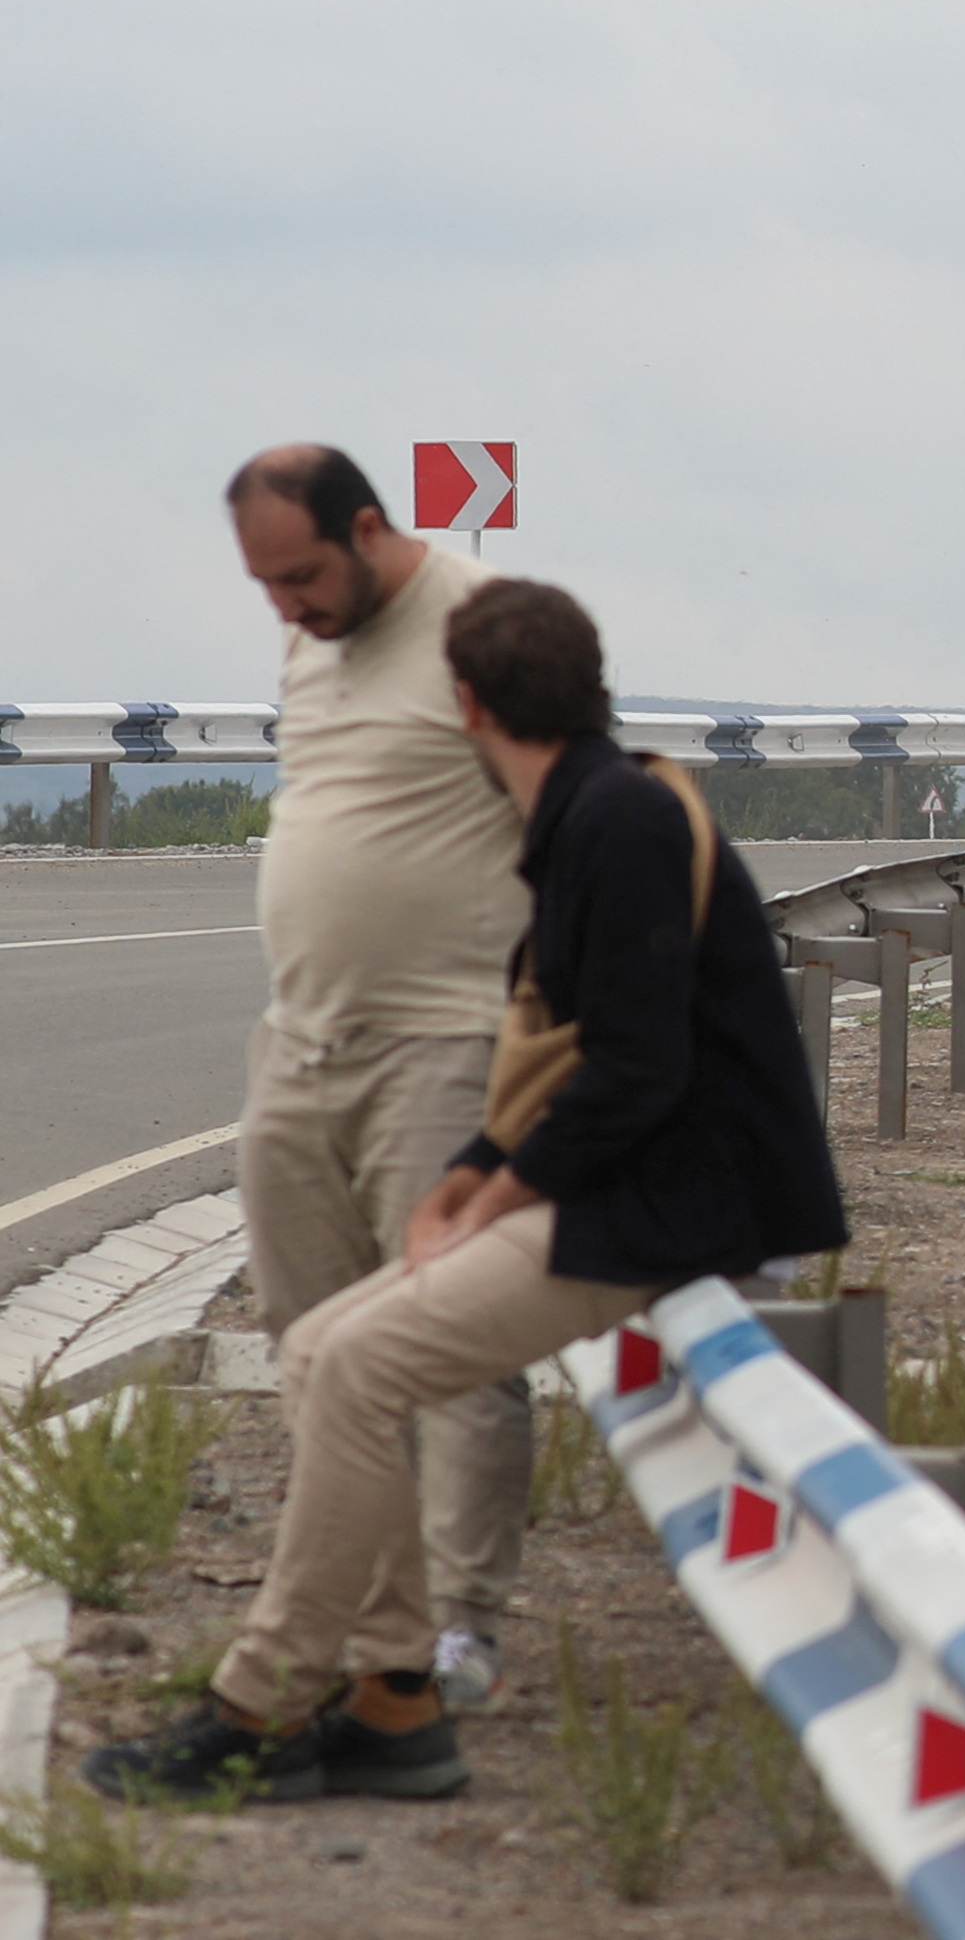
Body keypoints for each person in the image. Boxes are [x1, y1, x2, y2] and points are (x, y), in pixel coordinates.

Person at [87, 580, 848, 1804]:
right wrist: (475, 1176)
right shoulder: (594, 806)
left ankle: (262, 1701)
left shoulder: (617, 822)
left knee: (358, 1362)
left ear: (468, 707)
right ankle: (393, 1696)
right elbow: (592, 1055)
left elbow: (637, 1066)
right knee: (323, 1346)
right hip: (628, 1191)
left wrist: (493, 1195)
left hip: (670, 1214)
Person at [223, 444, 535, 1711]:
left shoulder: (478, 625)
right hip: (298, 1045)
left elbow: (561, 816)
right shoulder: (309, 638)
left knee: (444, 1343)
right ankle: (377, 1637)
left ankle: (459, 1627)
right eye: (264, 586)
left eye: (301, 576)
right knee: (313, 1346)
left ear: (367, 528)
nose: (286, 606)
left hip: (443, 1042)